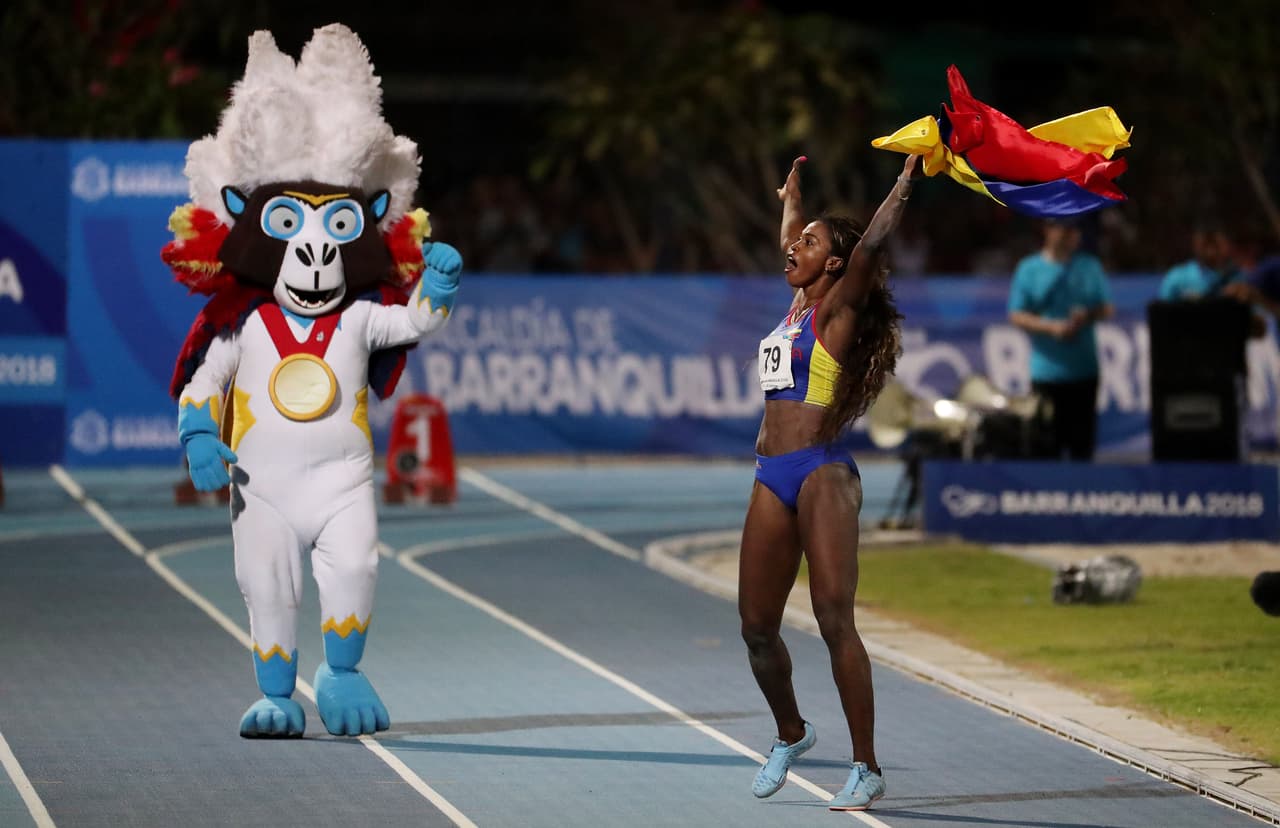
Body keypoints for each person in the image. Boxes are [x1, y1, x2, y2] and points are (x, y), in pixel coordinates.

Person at [739, 152, 922, 812]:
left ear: (836, 266)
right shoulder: (795, 302)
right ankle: (792, 733)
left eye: (810, 243)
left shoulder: (838, 310)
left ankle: (866, 766)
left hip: (821, 472)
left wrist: (904, 183)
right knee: (757, 628)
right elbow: (791, 238)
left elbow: (871, 240)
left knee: (832, 618)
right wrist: (793, 198)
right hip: (771, 474)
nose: (794, 248)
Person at [1007, 216, 1114, 461]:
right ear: (1048, 230)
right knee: (1046, 447)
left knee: (1082, 448)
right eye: (1063, 229)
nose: (1069, 235)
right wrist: (1050, 327)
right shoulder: (1029, 269)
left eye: (1073, 230)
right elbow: (1017, 315)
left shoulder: (1089, 266)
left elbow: (1106, 308)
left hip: (1084, 371)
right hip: (1047, 374)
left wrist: (1086, 315)